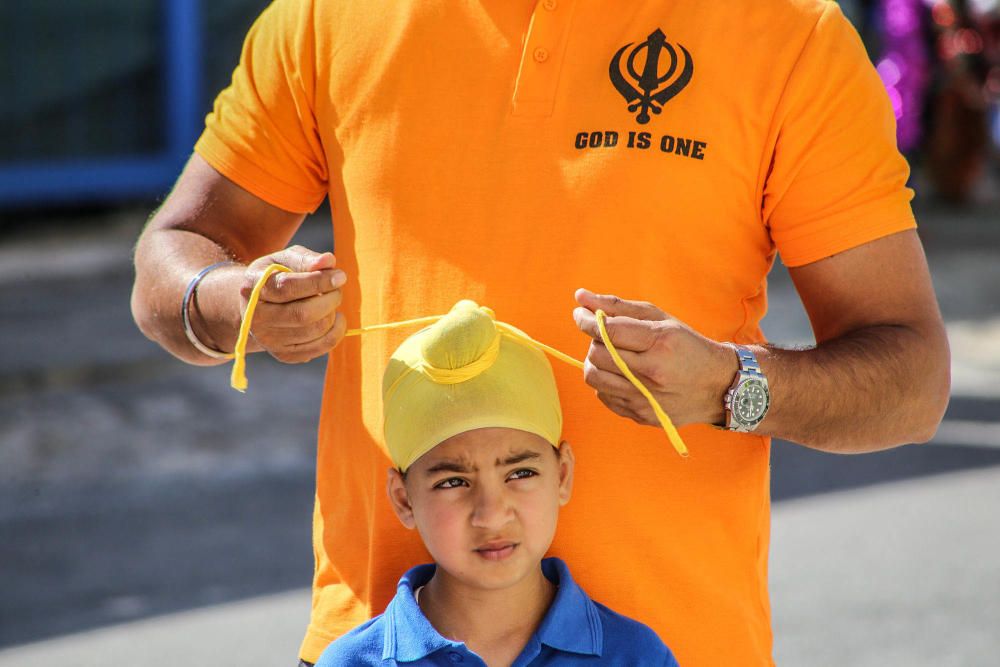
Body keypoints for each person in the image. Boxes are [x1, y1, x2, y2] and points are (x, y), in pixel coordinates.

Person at [130, 0, 951, 664]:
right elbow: (169, 260)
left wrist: (732, 386)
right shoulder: (326, 16)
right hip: (382, 643)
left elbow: (912, 380)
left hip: (677, 646)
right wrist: (232, 301)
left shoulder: (787, 34)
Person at [313, 299, 679, 666]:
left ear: (562, 475)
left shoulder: (634, 655)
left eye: (520, 474)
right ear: (403, 499)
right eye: (453, 482)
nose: (491, 516)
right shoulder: (353, 662)